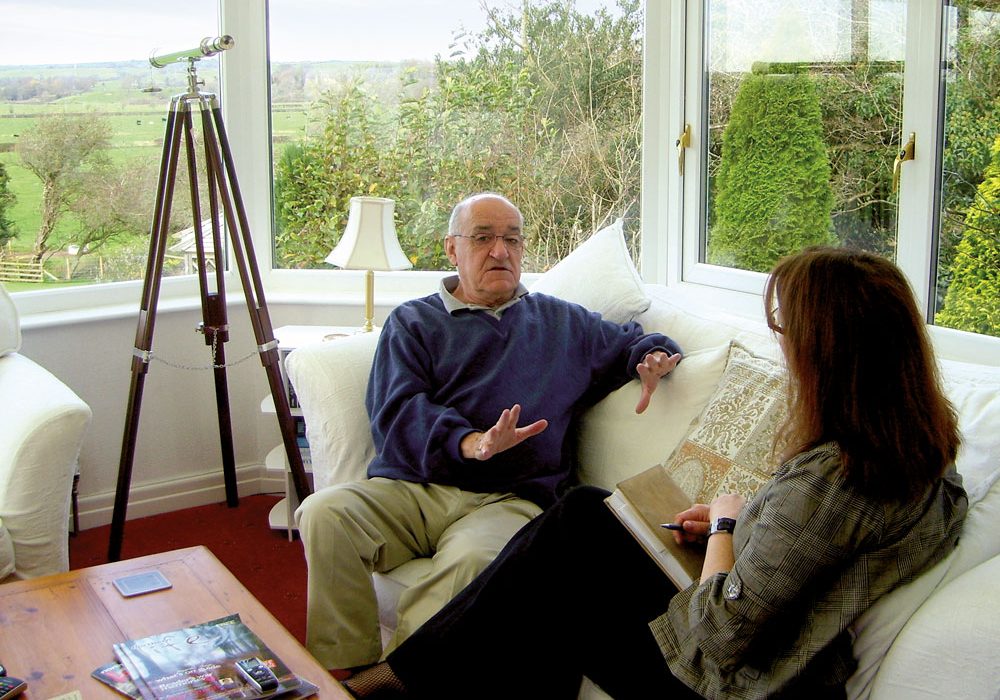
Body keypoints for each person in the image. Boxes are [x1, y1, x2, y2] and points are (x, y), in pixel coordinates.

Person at [342, 246, 969, 700]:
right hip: (759, 640)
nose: (786, 351)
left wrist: (725, 523)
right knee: (584, 515)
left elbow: (716, 638)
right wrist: (744, 523)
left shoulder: (834, 482)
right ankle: (404, 677)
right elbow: (811, 558)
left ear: (834, 357)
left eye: (790, 337)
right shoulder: (927, 465)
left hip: (731, 684)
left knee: (557, 575)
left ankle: (397, 680)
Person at [295, 192, 683, 676]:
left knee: (475, 561)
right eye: (482, 238)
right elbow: (397, 413)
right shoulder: (414, 322)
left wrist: (654, 357)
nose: (500, 251)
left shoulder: (562, 323)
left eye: (512, 239)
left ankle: (397, 681)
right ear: (452, 249)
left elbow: (633, 340)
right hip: (414, 489)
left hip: (509, 498)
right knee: (323, 513)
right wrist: (469, 442)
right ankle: (346, 667)